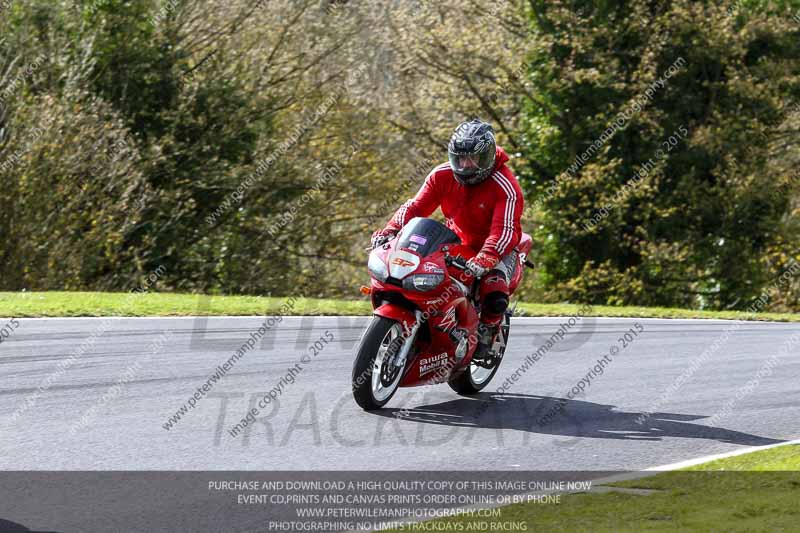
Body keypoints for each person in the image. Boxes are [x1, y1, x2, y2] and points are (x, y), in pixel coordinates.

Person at [371, 119, 524, 360]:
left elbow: (504, 230)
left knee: (494, 291)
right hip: (456, 242)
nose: (465, 166)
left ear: (488, 156)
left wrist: (486, 257)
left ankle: (488, 333)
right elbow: (415, 207)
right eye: (460, 158)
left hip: (499, 249)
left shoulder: (506, 187)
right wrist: (390, 231)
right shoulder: (442, 175)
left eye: (473, 159)